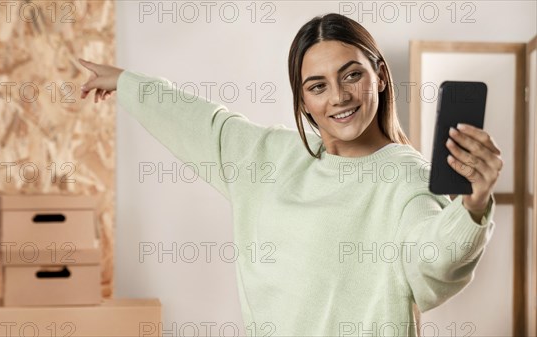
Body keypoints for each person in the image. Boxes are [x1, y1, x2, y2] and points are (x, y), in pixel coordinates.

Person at [79, 13, 503, 337]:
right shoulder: (272, 157)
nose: (338, 97)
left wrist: (473, 204)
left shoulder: (406, 178)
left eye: (351, 74)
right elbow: (201, 120)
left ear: (379, 76)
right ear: (302, 100)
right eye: (317, 86)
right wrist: (125, 82)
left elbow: (432, 263)